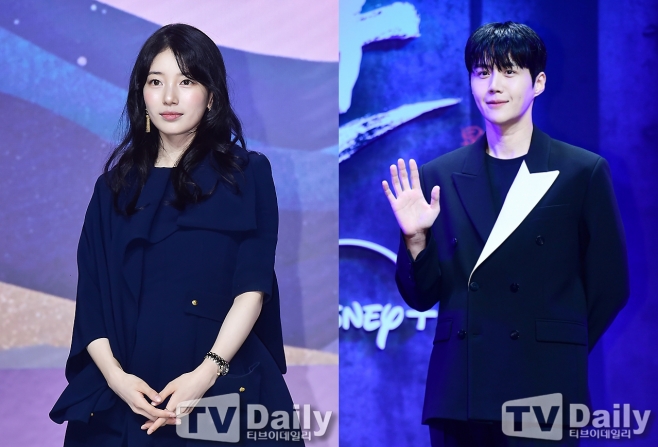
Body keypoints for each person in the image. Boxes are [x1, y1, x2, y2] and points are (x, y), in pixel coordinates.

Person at [50, 24, 301, 446]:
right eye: (156, 82)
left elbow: (252, 289)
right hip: (123, 399)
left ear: (211, 96)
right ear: (141, 94)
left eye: (186, 81)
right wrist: (116, 379)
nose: (169, 97)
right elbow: (91, 302)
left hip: (222, 392)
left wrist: (205, 375)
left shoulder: (247, 174)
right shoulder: (112, 189)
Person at [382, 22, 629, 446]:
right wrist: (416, 241)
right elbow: (422, 297)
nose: (494, 85)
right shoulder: (440, 175)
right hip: (461, 392)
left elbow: (611, 285)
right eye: (482, 73)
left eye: (509, 71)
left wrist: (557, 345)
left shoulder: (581, 172)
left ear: (539, 83)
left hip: (543, 386)